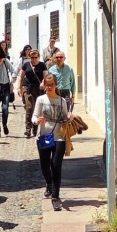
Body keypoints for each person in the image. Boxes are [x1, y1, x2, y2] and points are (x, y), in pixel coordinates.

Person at [32, 72, 69, 210]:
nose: (49, 87)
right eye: (47, 85)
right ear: (44, 85)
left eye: (51, 85)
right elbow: (34, 116)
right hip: (43, 136)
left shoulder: (62, 101)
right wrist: (37, 121)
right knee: (45, 166)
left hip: (59, 136)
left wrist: (69, 117)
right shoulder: (41, 100)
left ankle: (55, 196)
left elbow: (65, 117)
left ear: (56, 85)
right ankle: (49, 182)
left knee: (56, 165)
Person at [15, 49, 47, 137]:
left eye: (35, 57)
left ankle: (35, 128)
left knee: (37, 109)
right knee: (29, 107)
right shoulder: (26, 65)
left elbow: (46, 76)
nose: (33, 59)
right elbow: (20, 77)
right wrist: (19, 87)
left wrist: (42, 83)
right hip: (27, 88)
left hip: (38, 89)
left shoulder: (42, 65)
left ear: (38, 57)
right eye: (32, 57)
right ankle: (28, 129)